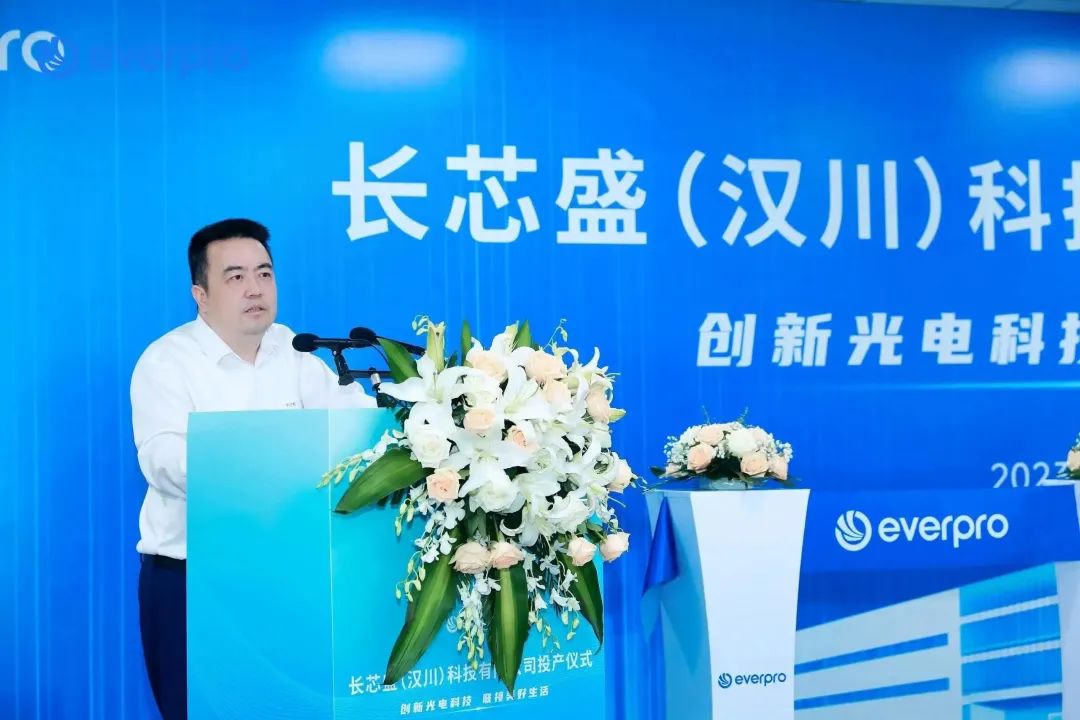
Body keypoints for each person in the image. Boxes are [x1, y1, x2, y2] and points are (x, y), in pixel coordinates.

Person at [130, 218, 375, 720]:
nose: (255, 288)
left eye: (264, 273)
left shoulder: (295, 350)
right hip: (195, 582)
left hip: (289, 574)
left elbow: (356, 431)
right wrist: (263, 457)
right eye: (236, 276)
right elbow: (163, 464)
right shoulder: (166, 362)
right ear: (200, 294)